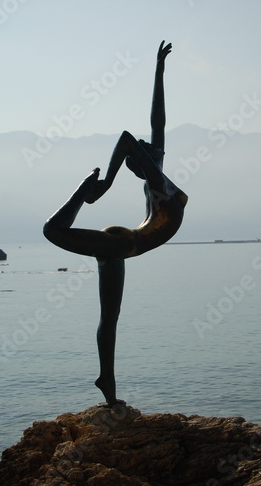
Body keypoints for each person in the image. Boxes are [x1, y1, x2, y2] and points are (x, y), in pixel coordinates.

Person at [43, 41, 188, 407]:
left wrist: (159, 71)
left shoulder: (160, 184)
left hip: (123, 245)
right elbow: (127, 139)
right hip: (123, 243)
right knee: (51, 231)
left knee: (111, 317)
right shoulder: (160, 188)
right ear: (144, 163)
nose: (147, 144)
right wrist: (103, 184)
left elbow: (158, 123)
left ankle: (107, 382)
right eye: (146, 150)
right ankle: (82, 190)